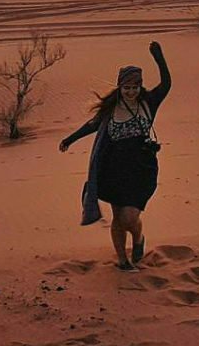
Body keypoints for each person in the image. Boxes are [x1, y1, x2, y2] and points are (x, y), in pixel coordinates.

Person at [58, 40, 172, 272]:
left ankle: (138, 239)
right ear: (120, 87)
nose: (131, 92)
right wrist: (69, 140)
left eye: (135, 87)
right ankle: (122, 261)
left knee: (130, 218)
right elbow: (91, 126)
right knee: (118, 218)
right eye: (126, 88)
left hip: (141, 168)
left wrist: (158, 56)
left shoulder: (149, 102)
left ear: (140, 87)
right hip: (113, 168)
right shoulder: (110, 110)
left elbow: (167, 84)